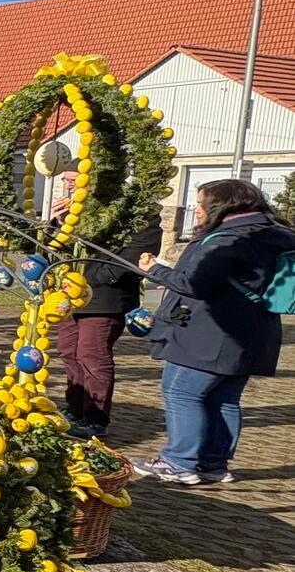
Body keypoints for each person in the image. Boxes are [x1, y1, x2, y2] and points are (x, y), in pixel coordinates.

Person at [133, 178, 295, 484]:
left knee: (181, 392)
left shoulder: (228, 239)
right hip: (255, 332)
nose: (196, 210)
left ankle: (178, 461)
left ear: (222, 205)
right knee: (224, 398)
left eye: (199, 204)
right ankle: (213, 464)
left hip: (212, 333)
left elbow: (193, 284)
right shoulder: (278, 234)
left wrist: (155, 270)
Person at [56, 214, 161, 439]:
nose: (69, 184)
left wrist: (95, 276)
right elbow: (54, 247)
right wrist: (59, 223)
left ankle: (95, 418)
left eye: (73, 178)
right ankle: (75, 410)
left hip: (105, 299)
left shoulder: (137, 211)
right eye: (67, 179)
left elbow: (139, 248)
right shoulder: (76, 208)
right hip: (68, 297)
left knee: (92, 356)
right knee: (68, 352)